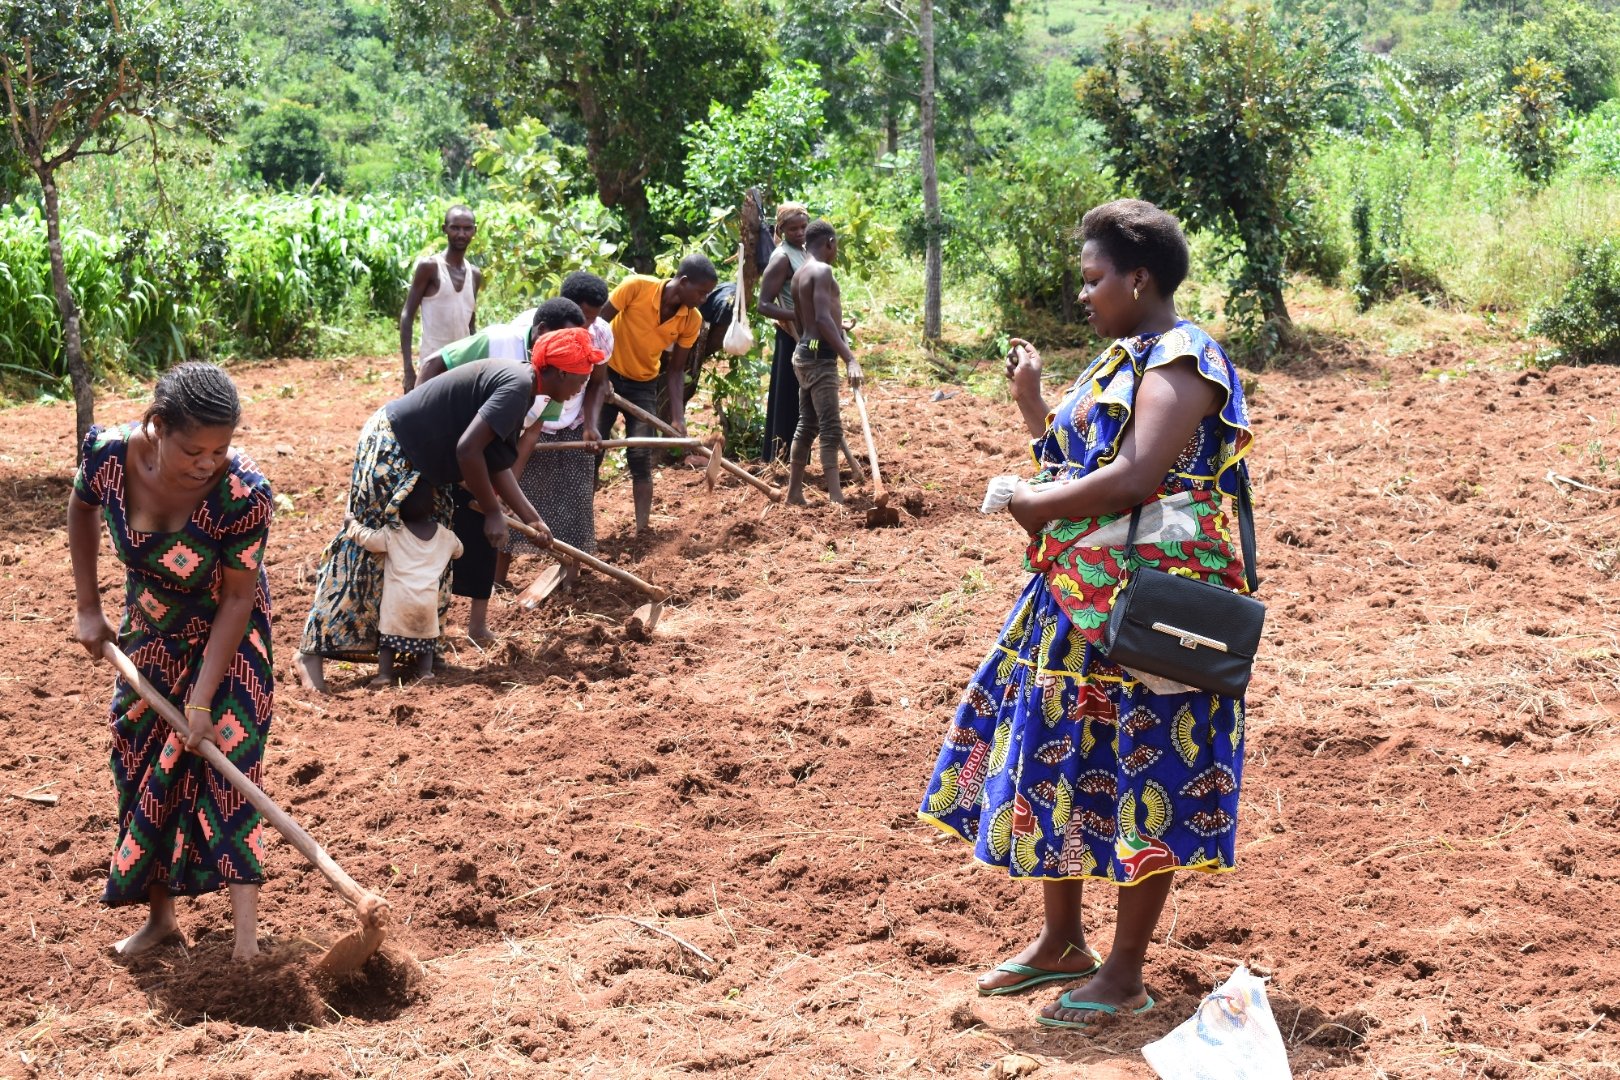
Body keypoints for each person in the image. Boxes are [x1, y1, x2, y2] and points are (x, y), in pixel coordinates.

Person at [917, 199, 1255, 1030]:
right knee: (1060, 752)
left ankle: (1126, 971)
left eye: (1095, 278)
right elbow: (1082, 465)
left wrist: (1033, 505)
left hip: (1147, 610)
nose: (1084, 294)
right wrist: (1033, 405)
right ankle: (1062, 940)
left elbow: (1138, 477)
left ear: (1140, 278)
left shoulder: (1184, 361)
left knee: (1146, 768)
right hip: (1078, 597)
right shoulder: (1121, 359)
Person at [68, 363, 275, 961]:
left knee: (229, 764)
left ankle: (245, 946)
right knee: (140, 764)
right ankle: (162, 920)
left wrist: (204, 701)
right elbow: (81, 510)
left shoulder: (243, 495)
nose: (208, 462)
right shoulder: (108, 456)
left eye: (221, 448)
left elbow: (238, 597)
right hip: (149, 633)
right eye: (193, 449)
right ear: (156, 426)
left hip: (228, 641)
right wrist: (89, 606)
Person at [295, 349, 592, 693]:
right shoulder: (516, 386)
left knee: (433, 549)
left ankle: (421, 649)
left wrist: (533, 519)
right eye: (580, 377)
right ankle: (310, 653)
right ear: (558, 372)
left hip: (425, 463)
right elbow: (468, 449)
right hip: (394, 446)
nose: (582, 385)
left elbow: (494, 460)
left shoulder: (524, 388)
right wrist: (493, 512)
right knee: (366, 547)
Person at [418, 298, 587, 628]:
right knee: (431, 536)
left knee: (484, 535)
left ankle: (475, 627)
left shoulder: (542, 389)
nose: (580, 389)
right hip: (443, 448)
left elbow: (509, 447)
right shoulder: (505, 357)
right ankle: (423, 629)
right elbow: (435, 366)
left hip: (474, 454)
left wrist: (505, 501)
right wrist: (428, 430)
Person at [507, 274, 615, 598]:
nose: (588, 326)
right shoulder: (524, 332)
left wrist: (589, 424)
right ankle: (497, 579)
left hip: (562, 415)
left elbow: (595, 383)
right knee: (512, 500)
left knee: (575, 501)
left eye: (594, 317)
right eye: (583, 317)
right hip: (521, 418)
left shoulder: (597, 335)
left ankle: (570, 580)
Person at [596, 255, 717, 536]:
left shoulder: (692, 319)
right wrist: (598, 378)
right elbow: (598, 327)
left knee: (640, 455)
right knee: (594, 451)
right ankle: (583, 526)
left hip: (643, 384)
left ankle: (642, 530)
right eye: (701, 292)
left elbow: (675, 371)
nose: (704, 299)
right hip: (607, 373)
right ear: (684, 282)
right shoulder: (636, 287)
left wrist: (678, 418)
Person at [345, 480, 463, 688]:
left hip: (397, 603)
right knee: (426, 642)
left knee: (388, 642)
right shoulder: (446, 536)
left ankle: (384, 675)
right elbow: (459, 551)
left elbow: (369, 539)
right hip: (426, 602)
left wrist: (351, 526)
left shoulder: (394, 534)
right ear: (433, 508)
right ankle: (425, 672)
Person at [786, 220, 864, 506]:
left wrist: (835, 326)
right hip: (819, 357)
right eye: (836, 246)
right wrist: (850, 357)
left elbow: (809, 320)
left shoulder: (800, 273)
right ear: (830, 243)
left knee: (807, 425)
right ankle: (836, 499)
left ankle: (794, 493)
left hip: (807, 348)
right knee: (830, 428)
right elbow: (820, 318)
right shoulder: (822, 270)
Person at [400, 205, 481, 392]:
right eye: (455, 228)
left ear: (474, 231)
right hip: (432, 365)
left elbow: (471, 325)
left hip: (462, 365)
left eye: (467, 228)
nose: (461, 234)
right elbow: (407, 315)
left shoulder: (474, 275)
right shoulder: (430, 267)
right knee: (426, 418)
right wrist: (408, 370)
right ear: (445, 229)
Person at [756, 202, 811, 464]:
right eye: (793, 229)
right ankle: (779, 459)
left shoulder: (805, 250)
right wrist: (796, 316)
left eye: (803, 227)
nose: (799, 232)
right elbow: (763, 304)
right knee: (788, 397)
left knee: (806, 398)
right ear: (782, 229)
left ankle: (799, 459)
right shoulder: (781, 257)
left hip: (809, 335)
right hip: (791, 336)